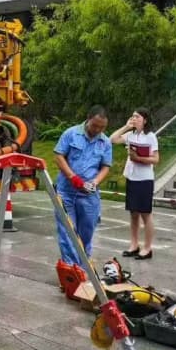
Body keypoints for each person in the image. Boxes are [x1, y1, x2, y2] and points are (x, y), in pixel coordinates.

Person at [53, 106, 113, 268]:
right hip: (67, 191)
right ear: (88, 120)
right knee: (67, 232)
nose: (98, 130)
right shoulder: (71, 134)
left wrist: (95, 182)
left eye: (102, 127)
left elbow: (105, 166)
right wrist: (72, 177)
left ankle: (83, 265)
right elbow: (58, 156)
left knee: (87, 231)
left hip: (89, 194)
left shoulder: (105, 142)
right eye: (95, 126)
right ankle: (71, 269)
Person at [110, 108, 160, 260]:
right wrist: (126, 126)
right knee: (133, 213)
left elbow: (156, 159)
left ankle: (147, 247)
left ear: (144, 120)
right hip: (132, 177)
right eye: (132, 116)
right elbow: (112, 139)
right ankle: (134, 244)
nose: (134, 119)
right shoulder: (130, 135)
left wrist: (139, 158)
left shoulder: (150, 136)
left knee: (145, 213)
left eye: (137, 117)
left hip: (145, 179)